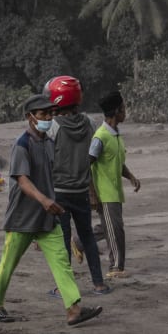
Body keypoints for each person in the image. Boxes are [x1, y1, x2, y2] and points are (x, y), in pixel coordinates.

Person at [0, 94, 102, 327]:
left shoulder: (49, 143)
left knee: (61, 261)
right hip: (22, 217)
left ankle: (73, 309)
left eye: (51, 113)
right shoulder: (22, 145)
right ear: (30, 117)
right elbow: (22, 179)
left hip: (47, 217)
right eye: (43, 114)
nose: (48, 118)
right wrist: (44, 200)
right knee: (8, 263)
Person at [45, 76, 110, 295]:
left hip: (59, 192)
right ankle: (99, 284)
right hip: (81, 190)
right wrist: (92, 191)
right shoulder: (90, 123)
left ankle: (64, 288)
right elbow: (90, 159)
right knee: (88, 237)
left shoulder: (53, 127)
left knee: (62, 242)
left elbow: (47, 160)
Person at [90, 91, 140, 278]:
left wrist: (130, 176)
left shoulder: (116, 135)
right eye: (124, 109)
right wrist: (92, 194)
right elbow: (87, 165)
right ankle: (116, 267)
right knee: (115, 230)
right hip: (104, 192)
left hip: (115, 191)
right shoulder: (100, 137)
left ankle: (77, 242)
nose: (125, 112)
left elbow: (116, 162)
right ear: (116, 111)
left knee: (109, 226)